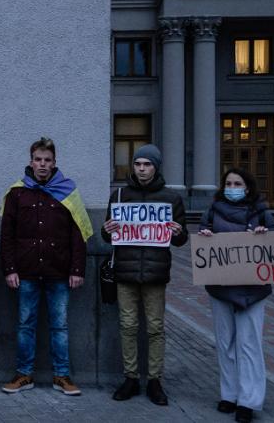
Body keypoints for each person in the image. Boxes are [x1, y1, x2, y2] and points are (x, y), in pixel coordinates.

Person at [0, 137, 91, 397]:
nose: (42, 164)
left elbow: (79, 233)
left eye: (47, 160)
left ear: (54, 163)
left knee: (59, 326)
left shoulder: (68, 191)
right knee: (25, 325)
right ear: (31, 161)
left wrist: (77, 269)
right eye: (38, 159)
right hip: (26, 272)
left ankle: (62, 376)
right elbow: (7, 235)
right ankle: (23, 374)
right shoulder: (17, 193)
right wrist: (9, 268)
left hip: (59, 272)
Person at [101, 144, 187, 407]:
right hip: (126, 272)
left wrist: (178, 232)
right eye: (138, 164)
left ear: (156, 167)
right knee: (127, 326)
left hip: (155, 273)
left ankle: (154, 380)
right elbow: (108, 235)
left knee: (155, 328)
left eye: (147, 164)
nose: (141, 169)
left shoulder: (171, 198)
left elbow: (182, 239)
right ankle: (130, 377)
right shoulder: (119, 196)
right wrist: (107, 228)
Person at [199, 167, 274, 423]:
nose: (232, 187)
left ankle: (249, 401)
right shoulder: (212, 210)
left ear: (247, 186)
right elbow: (203, 233)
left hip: (253, 289)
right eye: (229, 183)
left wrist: (263, 236)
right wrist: (206, 236)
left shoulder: (261, 210)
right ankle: (229, 395)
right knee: (225, 343)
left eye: (238, 183)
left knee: (249, 344)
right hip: (222, 288)